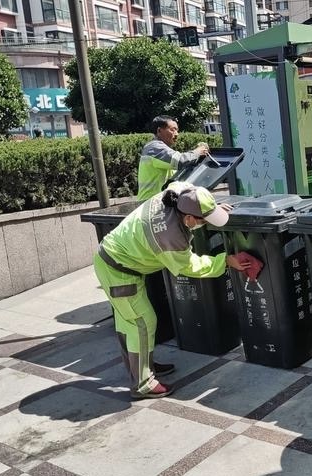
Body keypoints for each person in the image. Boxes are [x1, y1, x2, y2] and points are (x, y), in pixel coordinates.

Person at [94, 182, 251, 399]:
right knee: (141, 322)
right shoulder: (170, 236)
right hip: (117, 269)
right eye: (203, 221)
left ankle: (141, 366)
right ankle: (143, 384)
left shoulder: (177, 193)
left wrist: (212, 210)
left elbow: (195, 196)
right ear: (188, 219)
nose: (204, 224)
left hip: (116, 259)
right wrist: (226, 261)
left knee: (128, 321)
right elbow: (190, 267)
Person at [137, 115, 210, 202]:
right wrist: (197, 151)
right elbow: (181, 161)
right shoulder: (154, 148)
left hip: (160, 200)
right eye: (172, 129)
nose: (176, 134)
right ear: (159, 130)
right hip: (151, 202)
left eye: (177, 130)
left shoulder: (163, 149)